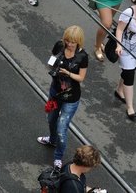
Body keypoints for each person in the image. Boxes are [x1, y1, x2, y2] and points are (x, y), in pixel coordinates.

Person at [38, 25, 88, 169]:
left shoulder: (82, 56)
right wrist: (53, 68)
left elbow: (81, 78)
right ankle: (52, 140)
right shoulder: (59, 46)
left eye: (73, 42)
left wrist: (68, 73)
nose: (70, 44)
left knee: (62, 128)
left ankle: (58, 156)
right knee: (51, 119)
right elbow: (51, 61)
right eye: (68, 41)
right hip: (55, 92)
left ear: (79, 41)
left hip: (71, 97)